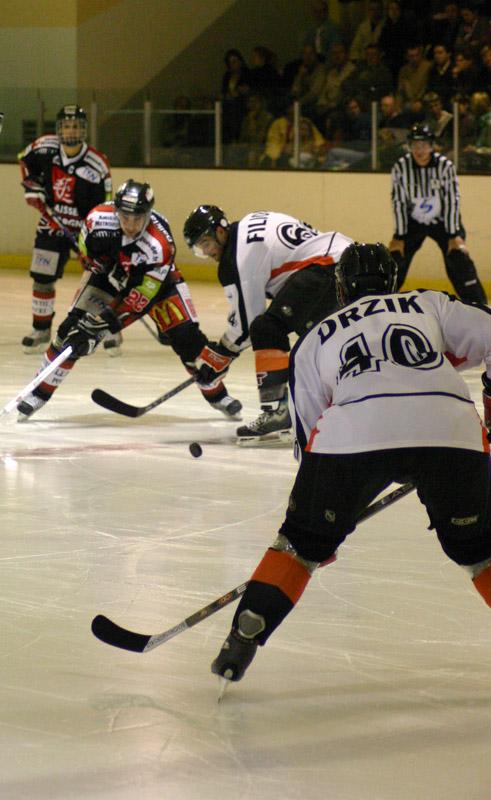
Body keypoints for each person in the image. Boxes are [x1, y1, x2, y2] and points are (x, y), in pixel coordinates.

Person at [210, 242, 491, 685]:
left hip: (352, 436)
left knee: (299, 546)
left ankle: (246, 632)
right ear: (392, 280)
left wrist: (322, 523)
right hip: (449, 429)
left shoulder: (314, 337)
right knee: (480, 552)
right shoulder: (427, 302)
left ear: (340, 289)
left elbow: (306, 436)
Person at [16, 180, 242, 422]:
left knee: (189, 341)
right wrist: (98, 264)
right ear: (116, 211)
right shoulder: (96, 220)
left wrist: (103, 323)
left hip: (160, 286)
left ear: (149, 214)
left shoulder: (159, 246)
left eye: (138, 218)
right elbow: (86, 249)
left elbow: (140, 298)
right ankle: (38, 391)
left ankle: (217, 395)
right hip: (107, 279)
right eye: (125, 217)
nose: (131, 225)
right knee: (72, 333)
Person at [183, 205, 353, 443]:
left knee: (266, 329)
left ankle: (276, 411)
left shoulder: (237, 257)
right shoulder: (250, 222)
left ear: (221, 232)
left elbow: (246, 325)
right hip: (345, 260)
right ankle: (347, 401)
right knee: (319, 338)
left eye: (207, 243)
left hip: (323, 266)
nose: (208, 252)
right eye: (200, 249)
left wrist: (220, 354)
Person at [17, 105, 113, 354]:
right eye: (67, 125)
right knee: (42, 277)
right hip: (52, 224)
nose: (71, 130)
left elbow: (107, 204)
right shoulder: (44, 148)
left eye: (76, 125)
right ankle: (41, 329)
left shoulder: (97, 163)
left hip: (86, 230)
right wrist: (32, 187)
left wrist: (98, 236)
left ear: (84, 130)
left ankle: (110, 329)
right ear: (59, 129)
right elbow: (24, 162)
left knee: (100, 280)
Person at [388, 123, 487, 303]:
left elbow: (452, 199)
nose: (420, 150)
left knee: (458, 259)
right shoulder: (401, 168)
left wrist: (453, 234)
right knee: (395, 259)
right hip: (414, 222)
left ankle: (479, 306)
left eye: (424, 144)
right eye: (415, 145)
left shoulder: (445, 166)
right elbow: (399, 202)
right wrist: (399, 236)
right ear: (409, 146)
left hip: (444, 222)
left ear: (432, 145)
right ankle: (379, 301)